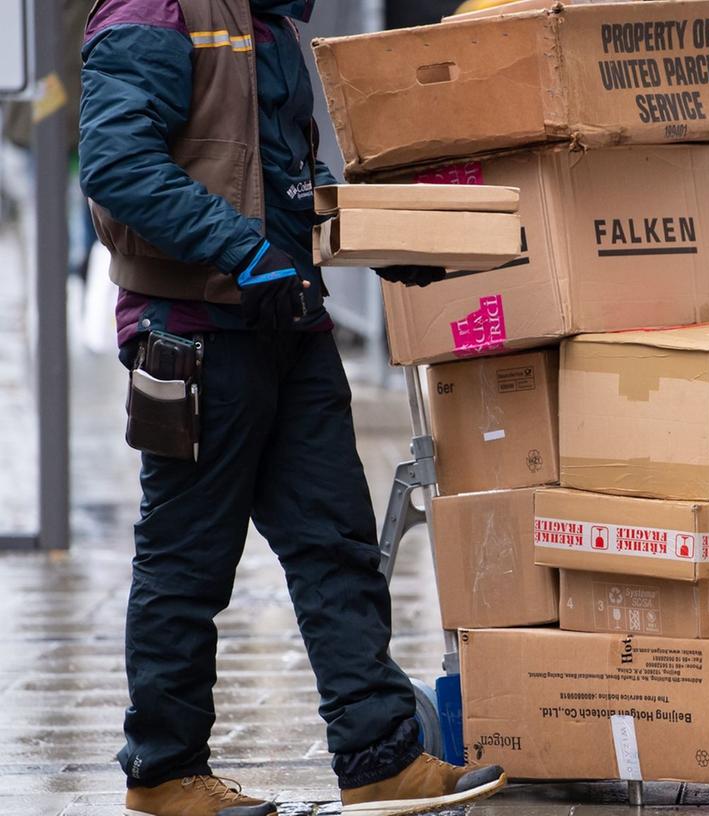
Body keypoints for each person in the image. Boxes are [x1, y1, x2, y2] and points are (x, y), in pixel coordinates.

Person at [77, 2, 505, 814]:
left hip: (287, 323)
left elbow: (269, 177)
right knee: (186, 564)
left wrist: (381, 240)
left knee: (334, 543)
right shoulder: (157, 10)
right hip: (197, 331)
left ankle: (380, 758)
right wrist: (243, 251)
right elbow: (118, 163)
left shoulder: (268, 19)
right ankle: (164, 775)